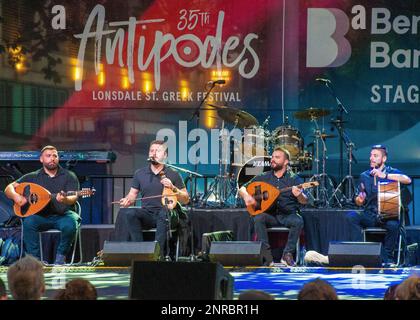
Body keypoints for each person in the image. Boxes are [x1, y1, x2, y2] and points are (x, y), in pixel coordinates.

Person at [4, 145, 80, 265]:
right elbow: (9, 188)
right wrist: (16, 197)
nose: (52, 158)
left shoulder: (69, 176)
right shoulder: (33, 176)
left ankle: (61, 257)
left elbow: (74, 197)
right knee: (29, 223)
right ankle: (35, 261)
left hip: (63, 215)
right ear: (41, 159)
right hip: (40, 216)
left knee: (71, 223)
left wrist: (65, 200)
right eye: (48, 156)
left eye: (55, 155)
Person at [114, 140, 190, 258]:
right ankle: (139, 252)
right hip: (148, 214)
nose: (153, 153)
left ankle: (157, 255)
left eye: (158, 151)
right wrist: (126, 201)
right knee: (128, 213)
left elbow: (185, 199)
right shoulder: (140, 173)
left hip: (168, 214)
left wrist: (173, 188)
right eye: (151, 151)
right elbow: (132, 195)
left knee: (163, 213)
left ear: (165, 155)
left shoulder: (173, 174)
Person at [238, 146, 308, 266]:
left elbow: (304, 201)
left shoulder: (294, 179)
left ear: (286, 161)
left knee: (298, 220)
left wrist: (299, 195)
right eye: (272, 157)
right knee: (258, 217)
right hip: (270, 215)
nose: (272, 159)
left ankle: (287, 255)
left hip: (287, 215)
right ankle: (267, 255)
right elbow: (242, 188)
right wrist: (246, 196)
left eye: (277, 157)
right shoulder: (264, 177)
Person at [346, 145, 411, 266]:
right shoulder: (364, 176)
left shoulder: (392, 172)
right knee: (351, 216)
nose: (371, 158)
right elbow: (358, 200)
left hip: (388, 216)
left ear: (384, 158)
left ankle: (388, 259)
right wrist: (359, 199)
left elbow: (407, 179)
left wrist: (385, 176)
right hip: (371, 215)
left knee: (393, 225)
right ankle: (360, 254)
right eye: (371, 155)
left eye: (375, 156)